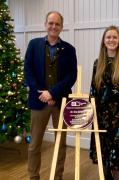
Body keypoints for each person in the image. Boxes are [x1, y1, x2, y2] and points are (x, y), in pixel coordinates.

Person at [24, 11, 77, 180]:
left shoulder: (69, 50)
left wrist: (52, 93)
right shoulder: (33, 45)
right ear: (45, 24)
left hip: (60, 102)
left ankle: (57, 177)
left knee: (60, 145)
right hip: (38, 102)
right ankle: (33, 177)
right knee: (34, 145)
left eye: (57, 24)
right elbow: (28, 72)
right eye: (51, 23)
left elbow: (71, 76)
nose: (54, 26)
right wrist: (42, 93)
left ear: (61, 27)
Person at [89, 25, 119, 180]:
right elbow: (93, 91)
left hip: (118, 116)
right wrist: (90, 115)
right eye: (108, 37)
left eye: (115, 37)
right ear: (104, 40)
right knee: (103, 152)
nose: (111, 40)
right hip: (100, 115)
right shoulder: (97, 63)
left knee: (116, 153)